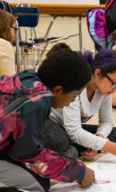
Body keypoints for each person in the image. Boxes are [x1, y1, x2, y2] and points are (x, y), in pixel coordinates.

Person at [0, 49, 94, 192]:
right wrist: (78, 171)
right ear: (57, 90)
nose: (71, 102)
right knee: (39, 185)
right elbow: (30, 155)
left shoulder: (28, 79)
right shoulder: (38, 99)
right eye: (74, 96)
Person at [42, 49, 116, 161]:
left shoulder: (105, 91)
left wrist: (99, 137)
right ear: (97, 73)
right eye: (115, 82)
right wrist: (110, 147)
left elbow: (107, 121)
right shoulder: (77, 85)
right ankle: (67, 147)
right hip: (49, 121)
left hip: (68, 128)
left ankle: (72, 150)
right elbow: (74, 130)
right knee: (57, 141)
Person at [0, 9, 17, 76]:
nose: (15, 34)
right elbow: (7, 81)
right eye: (14, 29)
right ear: (6, 28)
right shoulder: (4, 45)